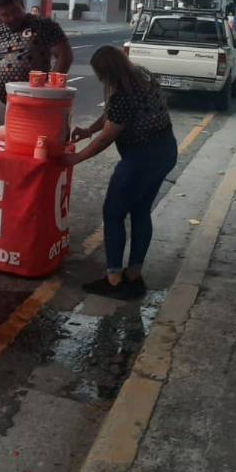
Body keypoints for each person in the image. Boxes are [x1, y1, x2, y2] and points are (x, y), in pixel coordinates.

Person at [63, 46, 178, 300]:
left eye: (101, 75)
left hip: (142, 158)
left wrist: (77, 158)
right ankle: (134, 274)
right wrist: (89, 130)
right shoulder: (142, 74)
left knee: (113, 212)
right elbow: (111, 116)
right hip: (166, 150)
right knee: (140, 211)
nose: (101, 80)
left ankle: (114, 279)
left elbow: (108, 136)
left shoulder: (122, 94)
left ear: (107, 72)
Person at [0, 0, 73, 127]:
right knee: (2, 144)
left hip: (37, 105)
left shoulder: (44, 26)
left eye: (15, 11)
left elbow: (65, 55)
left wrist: (50, 89)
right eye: (5, 15)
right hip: (4, 105)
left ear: (21, 4)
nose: (11, 18)